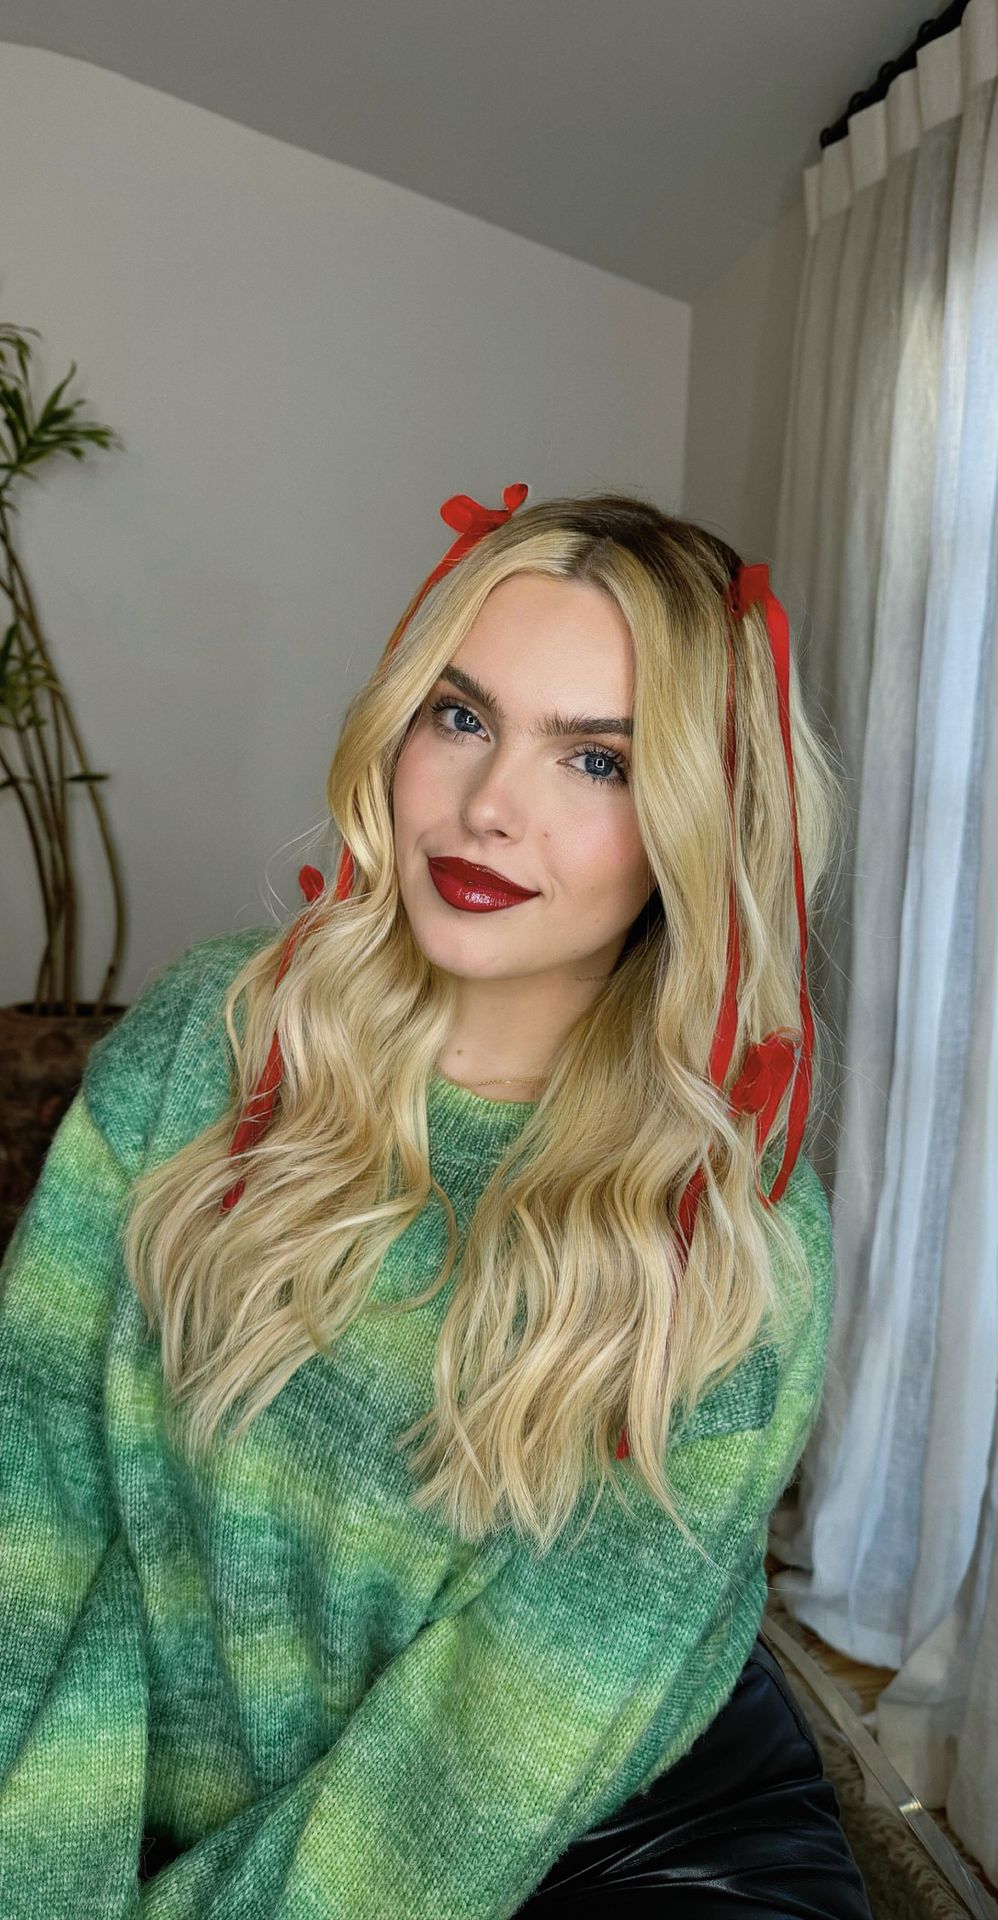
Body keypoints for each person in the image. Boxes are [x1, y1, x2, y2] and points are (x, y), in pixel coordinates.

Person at [0, 487, 871, 1917]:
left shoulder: (727, 1245)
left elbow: (470, 1779)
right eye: (461, 718)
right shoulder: (210, 1043)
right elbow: (33, 1504)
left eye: (597, 759)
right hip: (174, 1787)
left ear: (696, 824)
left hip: (589, 1829)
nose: (487, 807)